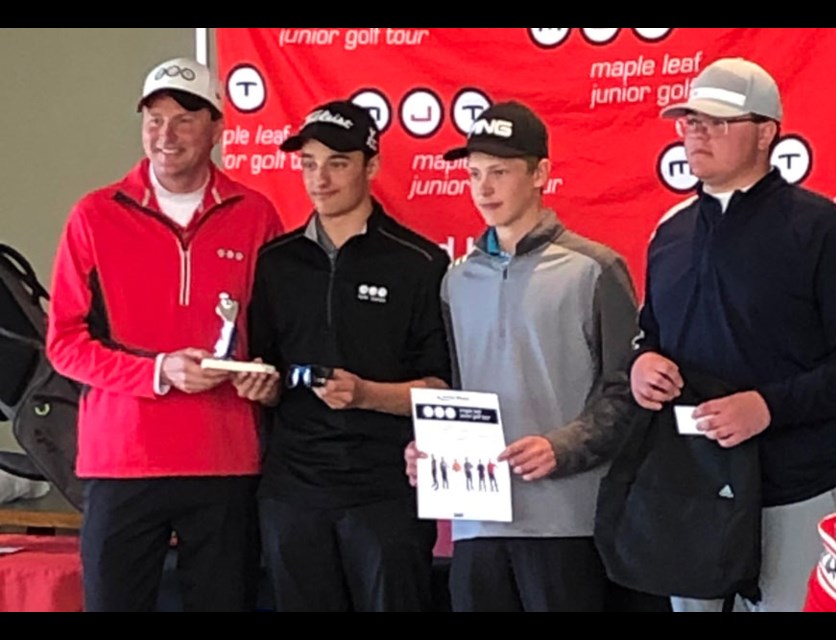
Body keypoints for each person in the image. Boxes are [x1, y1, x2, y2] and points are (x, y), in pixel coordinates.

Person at [630, 57, 836, 611]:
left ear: (767, 132)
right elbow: (651, 332)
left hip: (796, 489)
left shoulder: (821, 229)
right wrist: (643, 363)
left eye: (717, 120)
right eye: (688, 120)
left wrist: (768, 407)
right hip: (693, 489)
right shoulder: (670, 234)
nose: (696, 132)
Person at [46, 57, 283, 611]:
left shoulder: (256, 214)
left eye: (184, 119)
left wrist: (266, 382)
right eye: (153, 119)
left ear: (218, 129)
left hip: (224, 459)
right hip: (121, 460)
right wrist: (155, 371)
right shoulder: (95, 215)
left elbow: (272, 335)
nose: (165, 135)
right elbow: (63, 342)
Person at [405, 101, 640, 611]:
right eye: (474, 174)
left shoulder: (594, 269)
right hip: (476, 524)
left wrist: (564, 446)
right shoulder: (455, 280)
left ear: (541, 174)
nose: (484, 188)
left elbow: (627, 392)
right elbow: (452, 388)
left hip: (568, 523)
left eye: (500, 172)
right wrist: (429, 449)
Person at [245, 100, 451, 612]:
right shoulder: (275, 262)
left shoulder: (420, 262)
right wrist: (259, 386)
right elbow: (262, 367)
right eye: (309, 163)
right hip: (293, 491)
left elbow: (444, 389)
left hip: (385, 492)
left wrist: (367, 394)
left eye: (337, 162)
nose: (320, 178)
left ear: (371, 166)